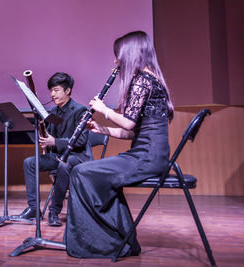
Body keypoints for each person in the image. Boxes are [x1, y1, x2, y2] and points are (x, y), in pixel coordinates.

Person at [65, 31, 174, 258]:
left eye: (118, 56)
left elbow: (128, 121)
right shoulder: (153, 79)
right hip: (149, 154)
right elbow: (130, 132)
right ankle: (118, 237)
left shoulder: (142, 81)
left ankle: (105, 241)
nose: (115, 61)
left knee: (80, 172)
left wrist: (103, 109)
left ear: (130, 55)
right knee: (86, 173)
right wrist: (101, 129)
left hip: (146, 157)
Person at [15, 72, 92, 226]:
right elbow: (50, 141)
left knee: (64, 164)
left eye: (56, 90)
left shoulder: (80, 110)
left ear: (67, 90)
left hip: (78, 156)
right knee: (29, 162)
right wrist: (45, 138)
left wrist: (54, 141)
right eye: (51, 91)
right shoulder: (53, 113)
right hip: (58, 156)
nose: (52, 94)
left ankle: (54, 211)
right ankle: (33, 208)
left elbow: (81, 140)